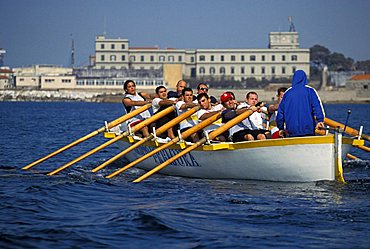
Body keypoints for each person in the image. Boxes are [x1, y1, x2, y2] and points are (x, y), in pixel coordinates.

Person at [276, 70, 325, 137]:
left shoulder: (287, 93)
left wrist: (280, 127)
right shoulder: (310, 91)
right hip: (308, 130)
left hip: (291, 131)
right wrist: (320, 120)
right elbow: (317, 107)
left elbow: (280, 112)